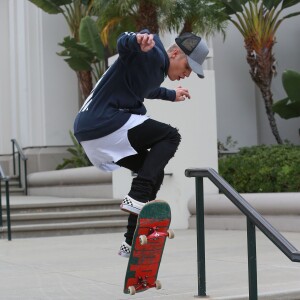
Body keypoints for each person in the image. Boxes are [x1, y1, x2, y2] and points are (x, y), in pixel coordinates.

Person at [73, 29, 209, 257]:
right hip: (104, 121)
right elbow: (124, 45)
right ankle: (137, 195)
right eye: (187, 67)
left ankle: (130, 239)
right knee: (170, 136)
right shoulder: (152, 52)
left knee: (152, 170)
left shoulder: (154, 72)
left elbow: (147, 89)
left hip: (93, 134)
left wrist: (171, 95)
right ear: (175, 53)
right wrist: (136, 41)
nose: (187, 74)